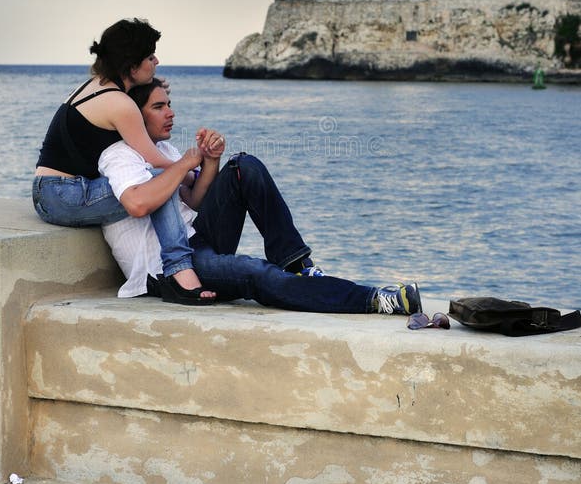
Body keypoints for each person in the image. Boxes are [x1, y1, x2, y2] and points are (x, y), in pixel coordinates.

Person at [98, 78, 423, 315]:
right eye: (159, 107)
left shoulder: (162, 149)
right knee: (258, 272)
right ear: (133, 116)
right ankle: (377, 300)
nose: (170, 113)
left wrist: (211, 160)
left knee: (244, 166)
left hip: (198, 239)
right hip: (170, 269)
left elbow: (195, 200)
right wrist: (185, 163)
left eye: (169, 104)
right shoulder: (119, 156)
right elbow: (139, 203)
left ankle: (298, 263)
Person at [33, 18, 200, 292]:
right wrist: (190, 169)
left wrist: (151, 85)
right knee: (161, 179)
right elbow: (153, 159)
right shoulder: (120, 104)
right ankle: (178, 268)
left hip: (48, 191)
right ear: (131, 66)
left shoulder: (95, 86)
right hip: (62, 196)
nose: (156, 60)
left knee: (160, 179)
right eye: (149, 56)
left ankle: (178, 266)